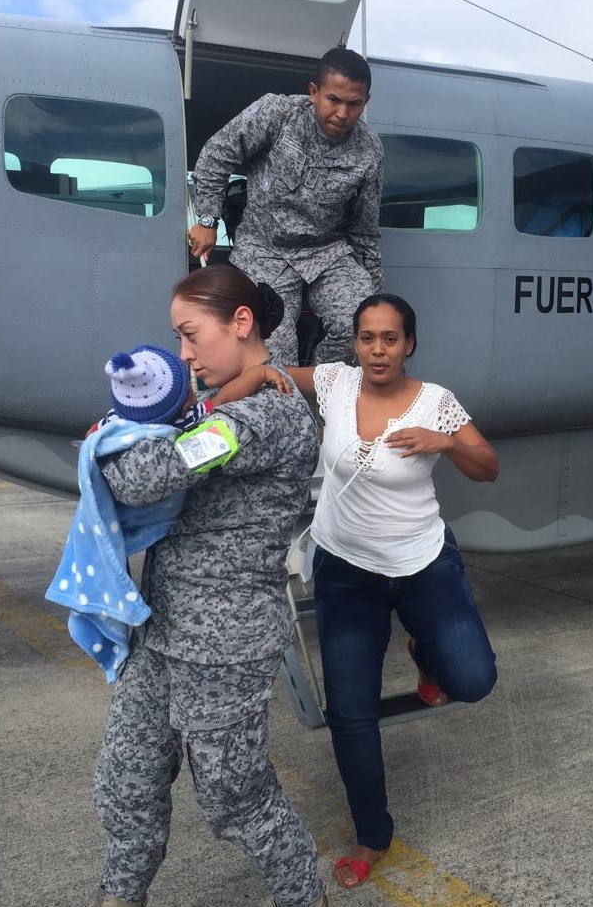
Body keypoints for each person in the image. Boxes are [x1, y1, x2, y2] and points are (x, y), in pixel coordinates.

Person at [91, 265, 328, 907]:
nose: (183, 354)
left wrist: (110, 445)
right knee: (126, 783)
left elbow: (148, 476)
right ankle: (121, 895)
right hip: (161, 635)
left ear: (242, 323)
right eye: (178, 339)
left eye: (190, 335)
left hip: (226, 649)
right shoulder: (220, 406)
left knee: (236, 801)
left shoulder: (265, 418)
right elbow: (166, 444)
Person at [283, 293, 499, 891]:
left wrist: (447, 442)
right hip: (347, 573)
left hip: (423, 562)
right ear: (355, 342)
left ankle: (424, 654)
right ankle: (372, 834)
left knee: (473, 680)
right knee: (351, 713)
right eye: (367, 337)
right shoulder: (333, 383)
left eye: (390, 338)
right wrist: (214, 393)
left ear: (409, 344)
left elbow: (489, 466)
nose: (377, 349)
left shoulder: (437, 402)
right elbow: (269, 372)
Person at [46, 344, 289, 683]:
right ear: (182, 399)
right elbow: (222, 402)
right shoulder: (190, 419)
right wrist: (260, 374)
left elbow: (93, 437)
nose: (191, 356)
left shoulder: (113, 423)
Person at [189, 46, 384, 366]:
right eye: (334, 100)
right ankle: (280, 406)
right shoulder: (275, 115)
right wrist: (207, 220)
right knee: (273, 348)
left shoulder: (369, 151)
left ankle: (319, 398)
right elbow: (215, 157)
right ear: (314, 91)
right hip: (265, 248)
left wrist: (376, 296)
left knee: (365, 327)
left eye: (354, 104)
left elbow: (364, 230)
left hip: (326, 252)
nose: (342, 114)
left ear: (366, 101)